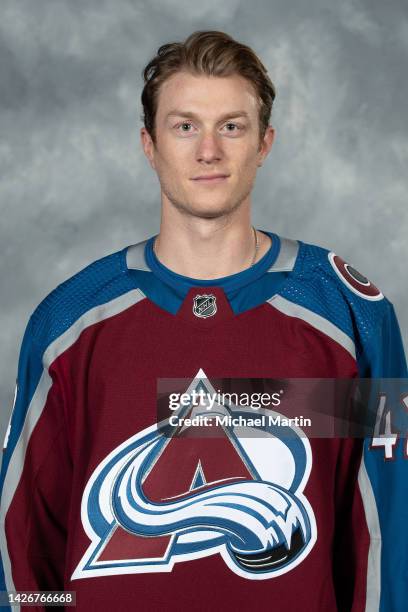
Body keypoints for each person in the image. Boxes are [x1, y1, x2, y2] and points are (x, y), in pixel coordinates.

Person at [0, 30, 407, 612]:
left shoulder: (350, 315)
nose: (208, 150)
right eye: (185, 126)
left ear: (264, 143)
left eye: (232, 126)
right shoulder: (69, 323)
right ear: (149, 143)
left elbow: (390, 528)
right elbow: (22, 546)